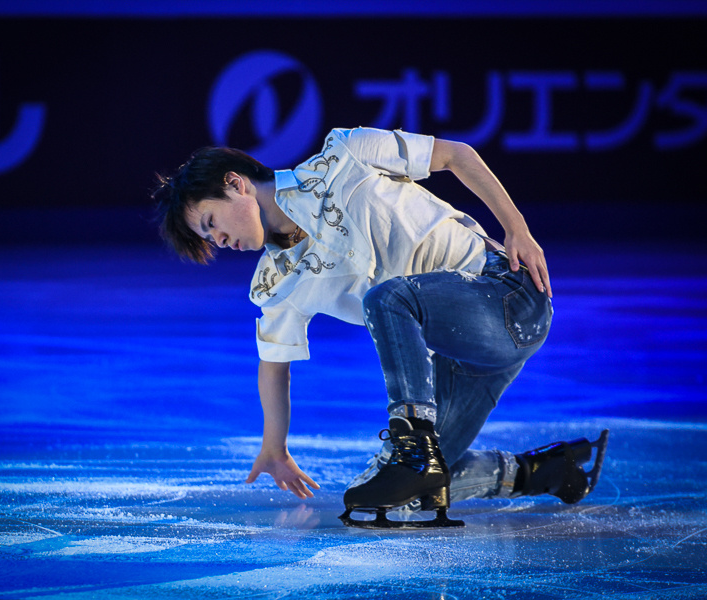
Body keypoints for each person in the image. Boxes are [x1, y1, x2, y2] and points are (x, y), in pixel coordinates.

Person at [153, 127, 608, 528]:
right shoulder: (276, 283)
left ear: (236, 184)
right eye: (208, 239)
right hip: (457, 352)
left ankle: (413, 443)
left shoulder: (347, 153)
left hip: (509, 295)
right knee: (394, 502)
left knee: (387, 298)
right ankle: (544, 470)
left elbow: (457, 155)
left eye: (211, 222)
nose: (219, 241)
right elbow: (274, 364)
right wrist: (274, 448)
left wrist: (518, 230)